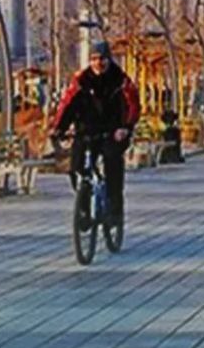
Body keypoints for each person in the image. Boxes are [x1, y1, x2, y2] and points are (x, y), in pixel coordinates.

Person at [51, 40, 140, 223]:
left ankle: (114, 208)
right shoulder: (81, 81)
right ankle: (83, 208)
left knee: (112, 161)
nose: (98, 63)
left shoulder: (120, 80)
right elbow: (67, 105)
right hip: (86, 130)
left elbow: (133, 105)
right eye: (94, 59)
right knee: (76, 166)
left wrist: (126, 127)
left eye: (102, 59)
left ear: (109, 60)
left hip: (113, 131)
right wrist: (59, 128)